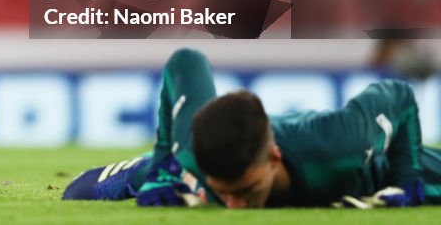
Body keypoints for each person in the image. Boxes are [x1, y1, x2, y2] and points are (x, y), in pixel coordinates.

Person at [64, 48, 441, 208]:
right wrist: (163, 165)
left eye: (245, 191)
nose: (235, 208)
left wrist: (406, 179)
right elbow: (186, 60)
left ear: (274, 157)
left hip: (379, 172)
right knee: (93, 189)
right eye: (223, 193)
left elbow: (397, 95)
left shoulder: (343, 142)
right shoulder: (193, 152)